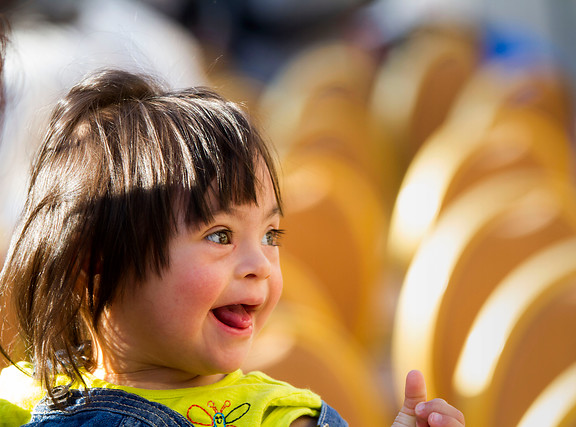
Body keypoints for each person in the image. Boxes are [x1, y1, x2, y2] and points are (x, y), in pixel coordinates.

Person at [0, 69, 465, 427]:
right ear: (95, 262)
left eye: (270, 235)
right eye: (220, 235)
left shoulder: (278, 417)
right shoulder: (18, 400)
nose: (260, 265)